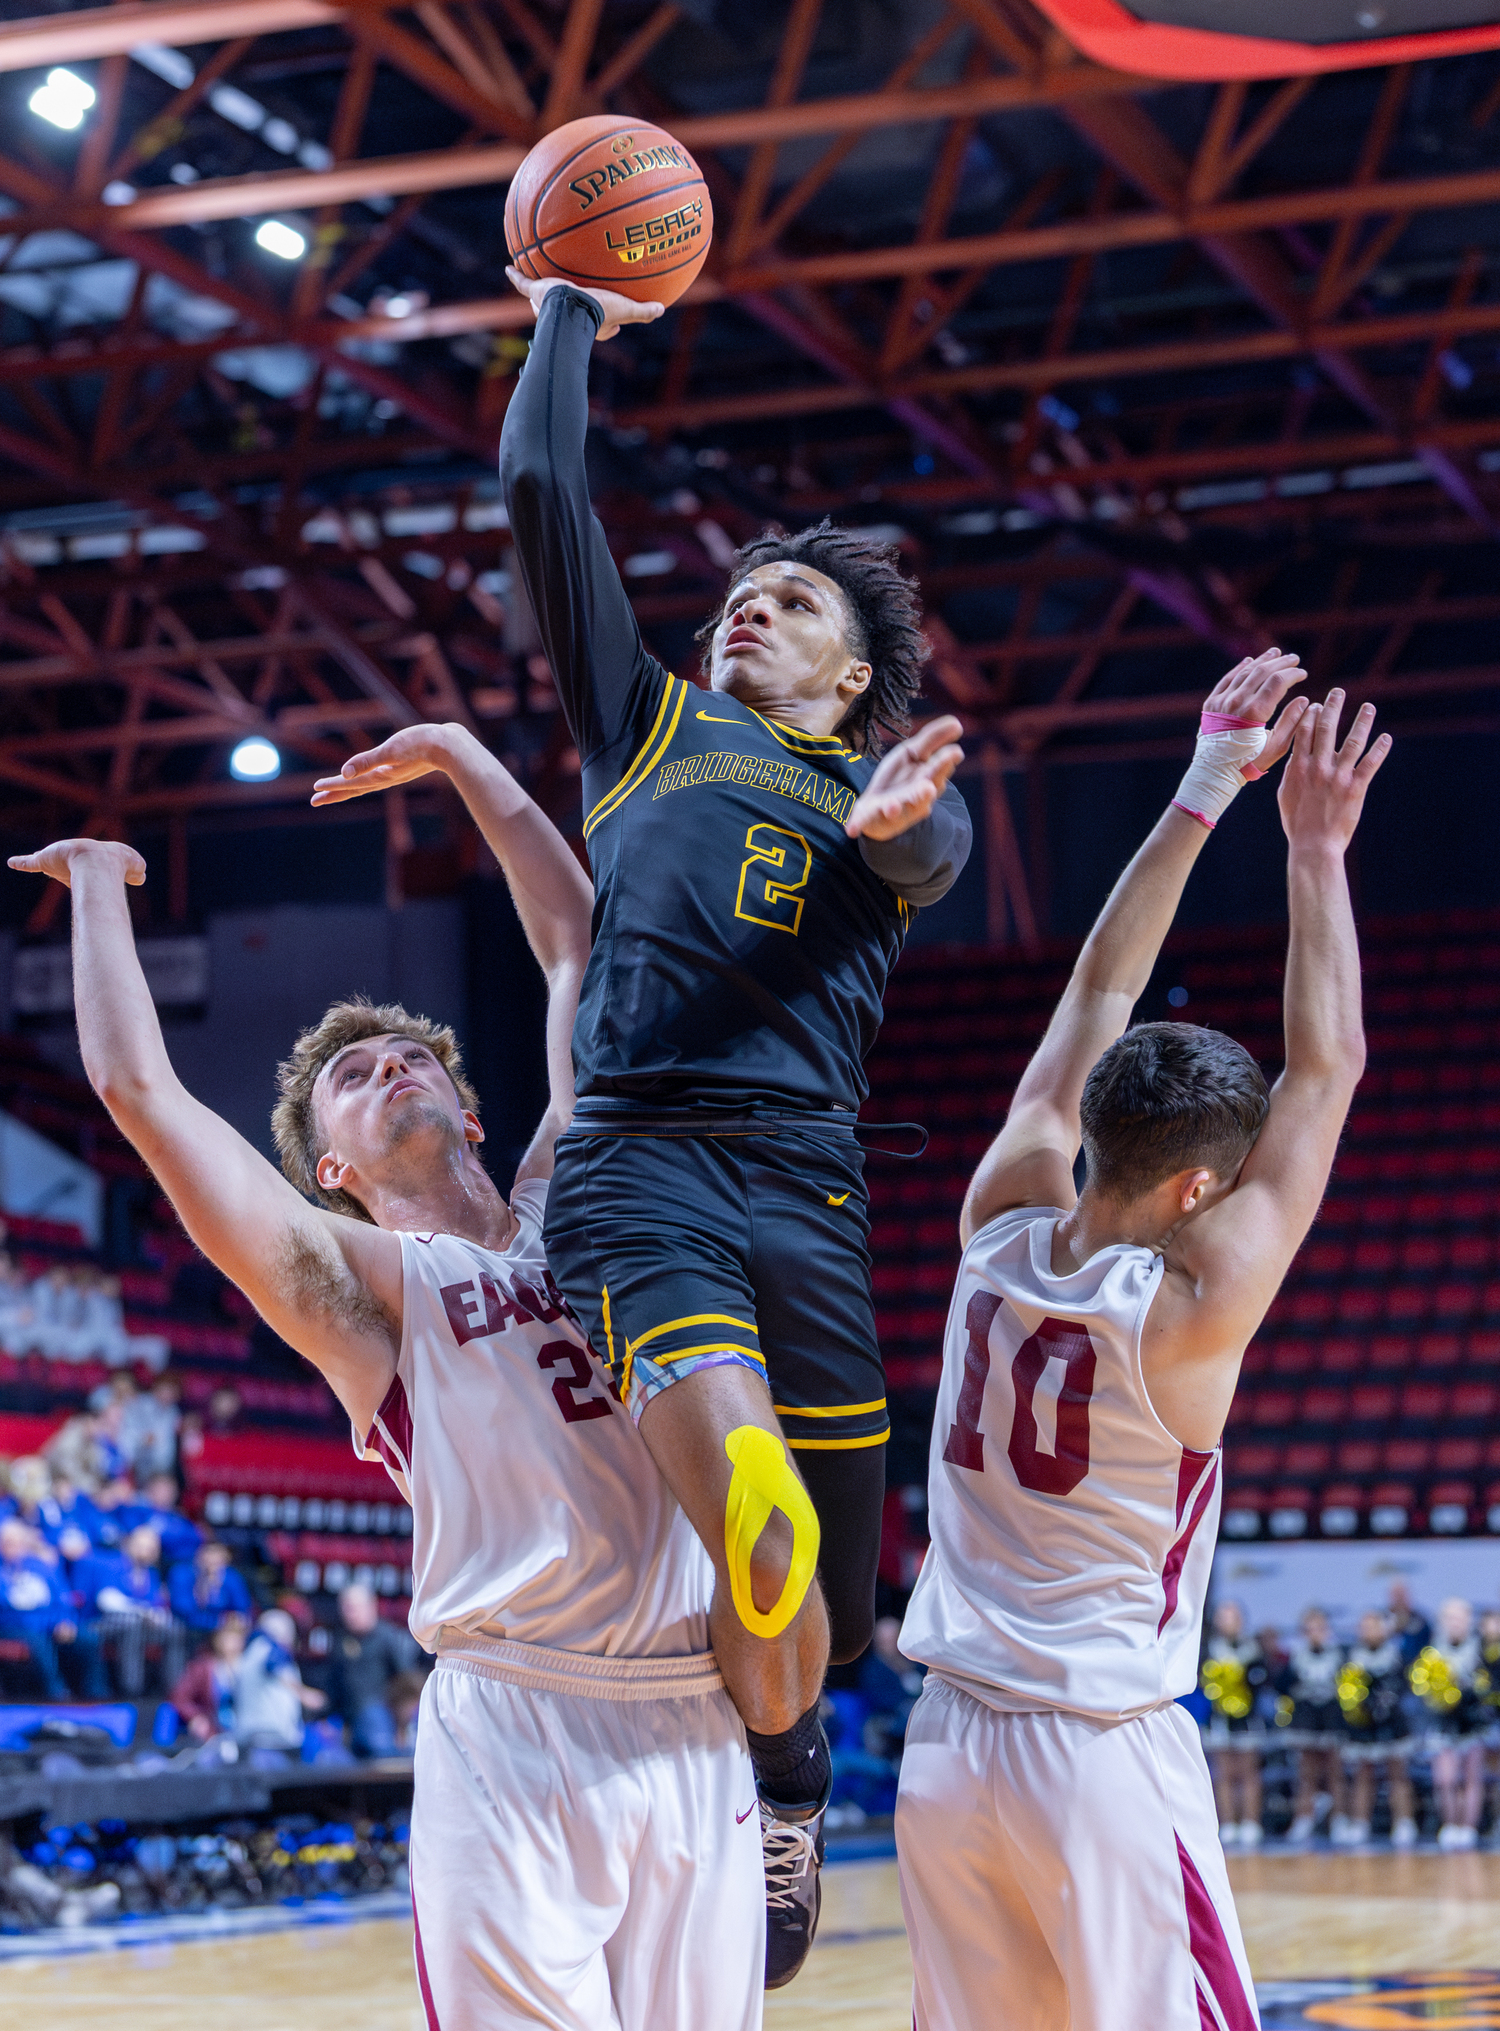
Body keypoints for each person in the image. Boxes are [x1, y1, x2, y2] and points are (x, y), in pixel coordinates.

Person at [329, 265, 968, 1978]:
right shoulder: (650, 728)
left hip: (809, 1192)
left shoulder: (875, 790)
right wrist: (565, 309)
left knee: (825, 1620)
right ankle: (764, 1814)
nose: (749, 610)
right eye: (741, 595)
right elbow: (545, 493)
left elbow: (929, 862)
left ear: (854, 682)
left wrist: (900, 829)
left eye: (791, 606)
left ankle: (793, 1757)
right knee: (751, 1516)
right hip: (642, 1173)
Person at [11, 751, 764, 2031]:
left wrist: (471, 765)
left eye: (411, 1057)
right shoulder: (363, 1290)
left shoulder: (573, 1203)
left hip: (696, 1714)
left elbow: (576, 942)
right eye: (352, 1080)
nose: (390, 1070)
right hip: (514, 1720)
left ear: (471, 1114)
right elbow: (142, 1095)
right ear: (328, 1171)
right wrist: (95, 887)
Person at [892, 656, 1390, 2031]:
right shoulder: (1184, 1307)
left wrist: (1204, 786)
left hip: (943, 1751)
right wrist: (1317, 845)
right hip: (1095, 1754)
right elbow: (1329, 1064)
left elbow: (1098, 990)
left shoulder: (999, 1212)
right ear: (1195, 1189)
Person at [0, 1516, 108, 1701]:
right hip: (13, 1626)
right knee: (38, 1640)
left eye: (18, 1543)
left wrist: (64, 1622)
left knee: (88, 1638)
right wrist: (46, 1624)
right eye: (8, 1543)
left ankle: (97, 1692)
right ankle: (56, 1693)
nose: (14, 1548)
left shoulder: (41, 1567)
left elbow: (63, 1599)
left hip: (48, 1622)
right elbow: (7, 1609)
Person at [73, 1523, 186, 1696]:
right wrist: (143, 1612)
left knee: (174, 1629)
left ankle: (175, 1691)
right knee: (133, 1626)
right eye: (141, 1546)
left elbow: (156, 1605)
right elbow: (106, 1601)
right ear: (129, 1544)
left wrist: (158, 1616)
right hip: (100, 1623)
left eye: (150, 1548)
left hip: (139, 1623)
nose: (145, 1551)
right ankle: (132, 1690)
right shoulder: (113, 1565)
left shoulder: (151, 1573)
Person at [1340, 1607, 1416, 1847]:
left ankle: (1404, 1822)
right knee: (1363, 1775)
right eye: (1365, 1626)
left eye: (1374, 1625)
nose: (1369, 1630)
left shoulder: (1396, 1655)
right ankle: (1360, 1823)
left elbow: (1403, 1684)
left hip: (1392, 1723)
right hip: (1363, 1725)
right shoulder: (1351, 1657)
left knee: (1397, 1775)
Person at [1415, 1595, 1485, 1849]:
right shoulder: (1433, 1652)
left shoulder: (1480, 1650)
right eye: (1450, 1618)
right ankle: (1450, 1823)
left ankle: (1468, 1827)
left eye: (1461, 1618)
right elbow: (1422, 1687)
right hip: (1442, 1721)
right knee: (1444, 1779)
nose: (1456, 1623)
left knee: (1471, 1776)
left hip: (1471, 1721)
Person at [1199, 1598, 1267, 1846]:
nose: (1228, 1621)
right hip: (1219, 1719)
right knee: (1223, 1773)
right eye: (1224, 1616)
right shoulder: (1208, 1649)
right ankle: (1227, 1823)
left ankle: (1251, 1822)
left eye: (1233, 1616)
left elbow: (1261, 1682)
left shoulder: (1253, 1650)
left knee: (1249, 1773)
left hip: (1247, 1719)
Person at [1281, 1606, 1350, 1844]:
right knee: (1307, 1774)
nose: (1316, 1633)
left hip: (1332, 1719)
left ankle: (1339, 1820)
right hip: (1306, 1719)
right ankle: (1304, 1818)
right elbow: (1283, 1685)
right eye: (1310, 1629)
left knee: (1335, 1773)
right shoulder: (1296, 1656)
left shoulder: (1341, 1654)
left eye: (1321, 1628)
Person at [328, 1581, 418, 1758]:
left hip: (382, 1721)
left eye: (354, 1608)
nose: (349, 1614)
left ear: (371, 1606)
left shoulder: (388, 1638)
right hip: (350, 1723)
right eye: (345, 1608)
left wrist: (401, 1727)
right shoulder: (341, 1640)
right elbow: (336, 1684)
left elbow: (406, 1683)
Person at [235, 1607, 326, 1755]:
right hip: (269, 1736)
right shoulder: (270, 1647)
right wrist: (304, 1694)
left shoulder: (250, 1653)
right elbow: (275, 1665)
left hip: (252, 1734)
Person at [170, 1610, 248, 1740]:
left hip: (246, 1730)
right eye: (224, 1635)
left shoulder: (249, 1666)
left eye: (234, 1636)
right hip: (212, 1732)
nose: (228, 1641)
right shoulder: (202, 1666)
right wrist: (195, 1717)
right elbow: (179, 1698)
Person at [168, 1537, 254, 1638]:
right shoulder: (182, 1573)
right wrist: (218, 1622)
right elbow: (183, 1610)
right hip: (186, 1629)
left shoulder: (231, 1577)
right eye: (209, 1553)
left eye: (218, 1556)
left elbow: (242, 1607)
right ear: (199, 1555)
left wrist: (233, 1621)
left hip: (224, 1629)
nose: (212, 1560)